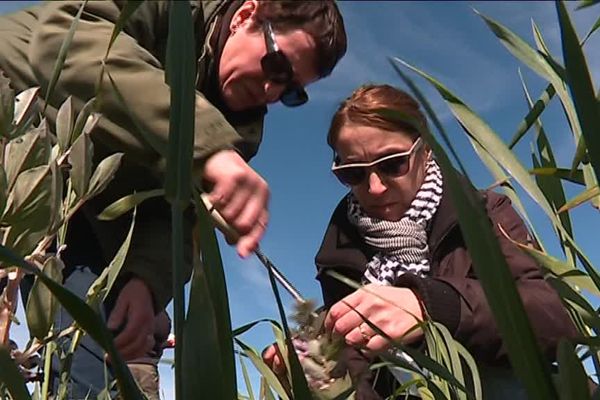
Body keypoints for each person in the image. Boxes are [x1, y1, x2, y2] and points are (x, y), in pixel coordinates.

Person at [0, 1, 347, 398]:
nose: (271, 93)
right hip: (15, 125)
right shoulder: (171, 9)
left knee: (91, 374)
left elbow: (175, 211)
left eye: (290, 93)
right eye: (277, 67)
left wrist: (146, 280)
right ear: (246, 15)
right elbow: (67, 40)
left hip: (80, 211)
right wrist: (204, 143)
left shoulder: (237, 132)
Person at [264, 84, 577, 399]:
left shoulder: (484, 213)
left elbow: (554, 321)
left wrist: (431, 306)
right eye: (354, 173)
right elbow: (367, 380)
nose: (374, 187)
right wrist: (321, 378)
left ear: (426, 152)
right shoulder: (339, 256)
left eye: (392, 164)